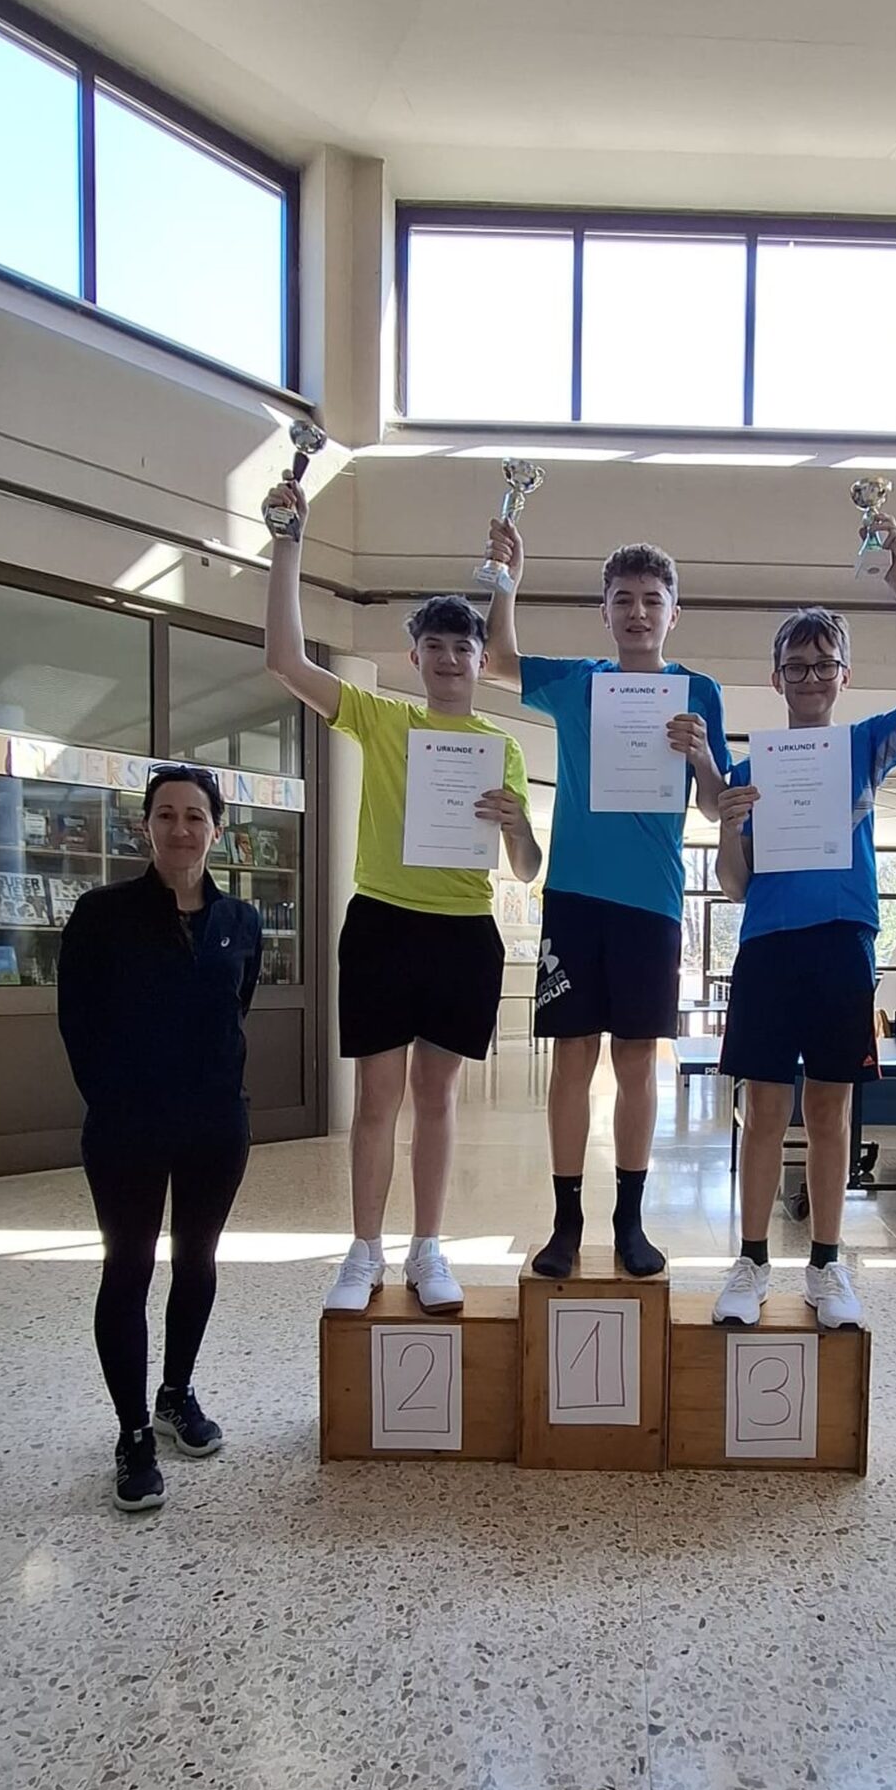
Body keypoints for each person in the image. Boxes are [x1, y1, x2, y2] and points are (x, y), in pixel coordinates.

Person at [263, 475, 540, 1315]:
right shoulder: (380, 718)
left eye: (464, 648)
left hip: (463, 931)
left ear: (480, 660)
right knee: (377, 1098)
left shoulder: (501, 746)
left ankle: (428, 1249)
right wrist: (288, 546)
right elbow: (285, 661)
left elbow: (526, 866)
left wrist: (515, 824)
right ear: (414, 656)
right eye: (436, 647)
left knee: (437, 1097)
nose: (451, 659)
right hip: (383, 924)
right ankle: (363, 1252)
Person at [711, 513, 896, 1331]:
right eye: (796, 665)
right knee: (762, 1111)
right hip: (767, 948)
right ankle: (751, 1261)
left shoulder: (863, 746)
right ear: (776, 677)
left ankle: (825, 1265)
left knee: (828, 1112)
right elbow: (735, 885)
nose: (810, 676)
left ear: (843, 675)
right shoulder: (750, 768)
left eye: (823, 664)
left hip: (841, 948)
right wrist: (728, 823)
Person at [482, 521, 728, 1278]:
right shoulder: (579, 682)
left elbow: (714, 807)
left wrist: (702, 755)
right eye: (623, 599)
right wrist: (507, 581)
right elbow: (497, 661)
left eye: (652, 600)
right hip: (575, 897)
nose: (637, 612)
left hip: (651, 904)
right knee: (571, 1058)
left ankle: (629, 1220)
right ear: (605, 611)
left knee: (636, 1062)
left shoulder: (699, 693)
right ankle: (565, 1222)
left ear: (673, 612)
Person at [58, 765, 262, 1515]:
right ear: (146, 827)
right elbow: (77, 1023)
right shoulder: (101, 914)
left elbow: (236, 1005)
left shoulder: (240, 920)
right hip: (128, 1126)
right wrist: (115, 1100)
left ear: (217, 830)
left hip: (216, 1124)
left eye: (195, 816)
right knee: (129, 1268)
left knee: (197, 1261)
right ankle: (134, 1432)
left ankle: (176, 1394)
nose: (181, 828)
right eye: (167, 815)